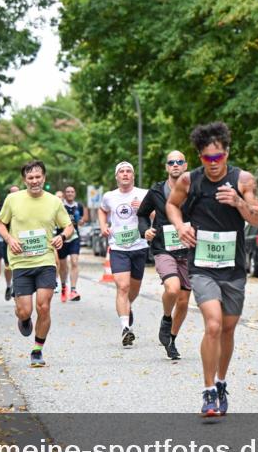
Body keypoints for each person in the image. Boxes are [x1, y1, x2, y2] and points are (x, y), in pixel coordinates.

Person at [166, 122, 258, 417]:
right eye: (207, 158)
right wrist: (180, 224)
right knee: (213, 324)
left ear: (226, 153)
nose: (213, 164)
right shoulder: (188, 181)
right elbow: (172, 205)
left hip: (233, 266)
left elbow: (257, 217)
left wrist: (237, 202)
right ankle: (208, 392)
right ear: (200, 157)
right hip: (202, 267)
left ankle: (221, 382)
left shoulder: (243, 180)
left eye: (218, 157)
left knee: (229, 328)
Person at [0, 160, 72, 368]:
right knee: (25, 311)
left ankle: (37, 350)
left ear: (44, 178)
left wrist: (62, 237)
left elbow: (68, 225)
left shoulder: (54, 202)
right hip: (20, 262)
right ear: (24, 180)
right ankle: (24, 318)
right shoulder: (13, 199)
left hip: (45, 260)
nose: (34, 181)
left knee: (43, 306)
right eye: (30, 178)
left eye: (38, 177)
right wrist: (10, 239)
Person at [138, 151, 191, 360]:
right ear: (167, 167)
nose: (176, 165)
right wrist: (145, 231)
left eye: (179, 161)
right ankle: (166, 318)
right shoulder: (157, 190)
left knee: (185, 301)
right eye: (172, 162)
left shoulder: (194, 189)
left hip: (188, 249)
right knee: (173, 288)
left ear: (185, 165)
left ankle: (172, 340)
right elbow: (142, 214)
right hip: (163, 248)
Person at [99, 161, 149, 347]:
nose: (125, 174)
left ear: (133, 175)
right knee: (123, 287)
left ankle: (127, 308)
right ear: (117, 176)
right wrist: (104, 225)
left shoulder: (143, 194)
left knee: (133, 290)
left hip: (139, 246)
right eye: (122, 171)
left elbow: (157, 214)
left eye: (129, 171)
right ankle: (125, 327)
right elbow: (102, 211)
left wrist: (143, 208)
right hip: (118, 247)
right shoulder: (109, 196)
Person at [57, 186, 87, 302]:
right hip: (62, 238)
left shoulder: (78, 206)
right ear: (65, 194)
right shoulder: (60, 206)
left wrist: (80, 220)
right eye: (68, 191)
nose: (70, 193)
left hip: (74, 237)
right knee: (63, 265)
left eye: (72, 192)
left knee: (74, 261)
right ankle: (64, 287)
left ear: (75, 194)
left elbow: (82, 222)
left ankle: (73, 290)